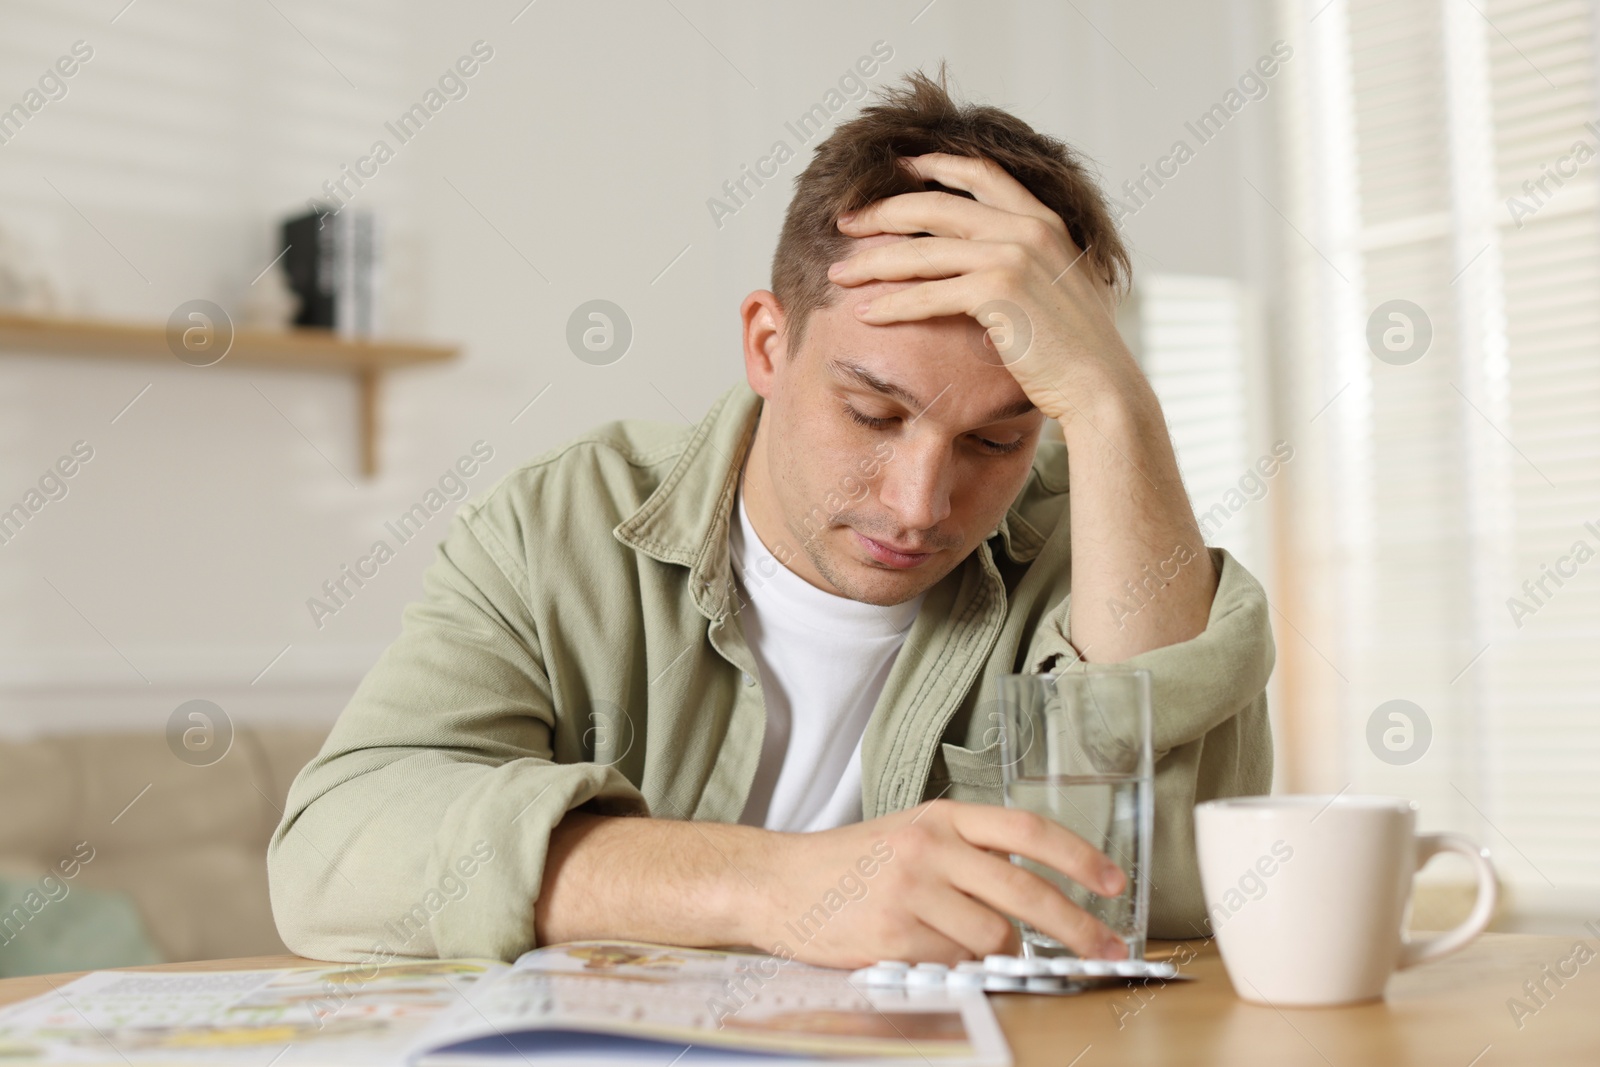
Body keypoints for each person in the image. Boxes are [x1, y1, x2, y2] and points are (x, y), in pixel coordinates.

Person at [268, 67, 1274, 970]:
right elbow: (334, 852)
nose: (919, 504)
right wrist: (770, 885)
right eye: (871, 412)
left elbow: (1166, 888)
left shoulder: (1090, 540)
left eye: (997, 441)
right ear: (766, 342)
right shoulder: (559, 523)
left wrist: (1110, 403)